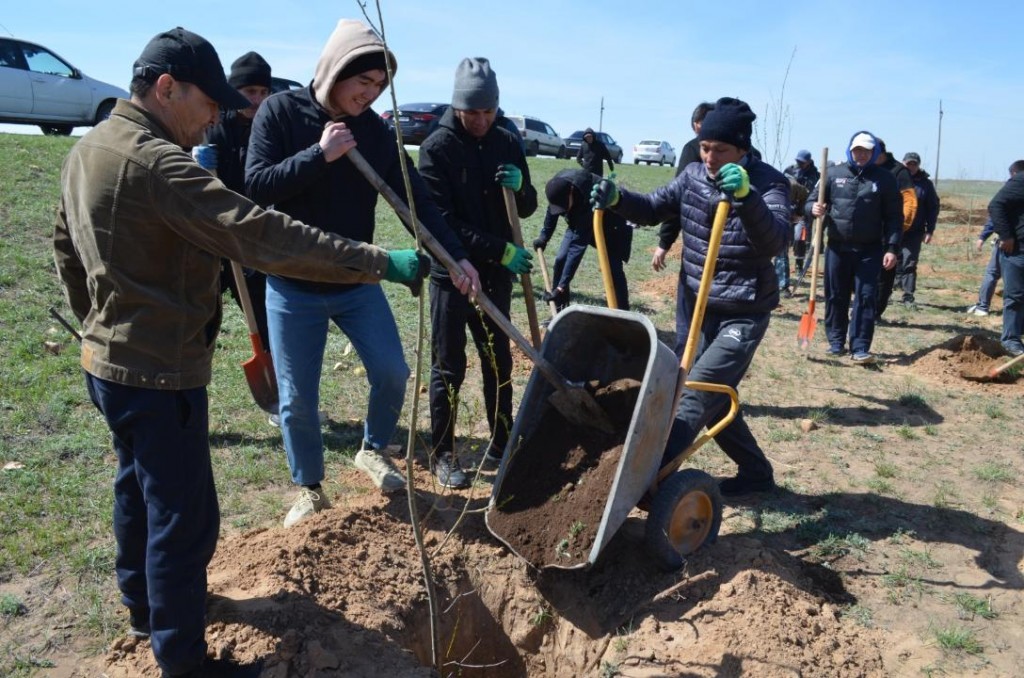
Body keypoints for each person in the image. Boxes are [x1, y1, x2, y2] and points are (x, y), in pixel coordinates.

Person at [53, 27, 432, 678]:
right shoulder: (159, 163)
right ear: (167, 89)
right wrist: (376, 261)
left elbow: (66, 249)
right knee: (185, 517)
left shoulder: (93, 149)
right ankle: (184, 659)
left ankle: (144, 607)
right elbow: (260, 232)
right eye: (209, 102)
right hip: (159, 370)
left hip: (109, 362)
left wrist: (97, 324)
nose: (217, 116)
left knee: (135, 491)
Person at [245, 20, 480, 523]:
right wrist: (320, 155)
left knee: (393, 372)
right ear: (335, 72)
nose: (369, 95)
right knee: (298, 400)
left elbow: (413, 199)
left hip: (355, 280)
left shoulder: (374, 130)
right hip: (293, 283)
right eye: (363, 83)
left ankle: (372, 447)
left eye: (378, 87)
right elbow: (257, 187)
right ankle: (309, 487)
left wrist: (453, 255)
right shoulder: (280, 112)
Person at [591, 96, 789, 497]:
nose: (710, 157)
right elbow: (651, 208)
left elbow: (776, 242)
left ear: (742, 150)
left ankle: (642, 478)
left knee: (696, 394)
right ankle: (756, 474)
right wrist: (618, 199)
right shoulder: (693, 176)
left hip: (744, 311)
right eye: (704, 147)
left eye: (721, 150)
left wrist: (748, 198)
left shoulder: (770, 183)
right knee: (706, 391)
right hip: (696, 305)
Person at [417, 57, 538, 488]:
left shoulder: (507, 140)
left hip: (495, 275)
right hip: (451, 275)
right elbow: (441, 221)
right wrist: (499, 248)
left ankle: (503, 443)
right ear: (458, 106)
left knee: (498, 361)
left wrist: (520, 186)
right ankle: (443, 453)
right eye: (473, 113)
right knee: (449, 366)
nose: (482, 121)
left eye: (488, 111)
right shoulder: (437, 148)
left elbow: (527, 206)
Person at [807, 131, 902, 364]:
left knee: (866, 296)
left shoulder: (885, 179)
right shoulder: (833, 174)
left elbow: (894, 217)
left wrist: (892, 248)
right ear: (850, 150)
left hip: (870, 250)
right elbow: (811, 200)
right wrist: (814, 208)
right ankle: (836, 341)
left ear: (874, 153)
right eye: (857, 150)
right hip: (837, 247)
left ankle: (860, 346)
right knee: (835, 295)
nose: (861, 155)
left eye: (866, 151)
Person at [203, 51, 274, 357]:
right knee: (202, 312)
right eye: (249, 92)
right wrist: (197, 161)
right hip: (212, 234)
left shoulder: (272, 128)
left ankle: (276, 381)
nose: (257, 100)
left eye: (263, 92)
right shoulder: (213, 127)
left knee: (264, 315)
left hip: (252, 236)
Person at [534, 168, 633, 312]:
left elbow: (577, 247)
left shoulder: (586, 194)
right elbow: (552, 210)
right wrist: (544, 237)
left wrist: (561, 286)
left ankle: (623, 315)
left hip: (613, 226)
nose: (563, 212)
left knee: (613, 269)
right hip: (579, 221)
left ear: (571, 193)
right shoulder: (558, 185)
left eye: (564, 207)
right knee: (561, 260)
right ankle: (560, 311)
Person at [874, 139, 918, 317]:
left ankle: (876, 310)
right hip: (865, 230)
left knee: (884, 275)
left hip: (888, 232)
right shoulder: (865, 168)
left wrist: (900, 227)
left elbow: (910, 203)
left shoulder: (899, 172)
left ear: (880, 153)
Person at [987, 159, 1024, 356]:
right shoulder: (1020, 181)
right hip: (1017, 250)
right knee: (1015, 296)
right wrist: (1006, 235)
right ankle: (1011, 340)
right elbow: (996, 205)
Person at [898, 152, 940, 305]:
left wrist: (930, 230)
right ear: (903, 163)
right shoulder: (894, 179)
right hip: (894, 229)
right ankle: (884, 293)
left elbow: (933, 208)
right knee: (890, 261)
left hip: (915, 231)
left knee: (910, 262)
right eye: (908, 164)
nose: (911, 167)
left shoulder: (925, 184)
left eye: (914, 164)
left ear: (918, 165)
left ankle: (908, 296)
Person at [784, 149, 821, 276]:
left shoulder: (815, 176)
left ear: (809, 162)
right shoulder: (789, 171)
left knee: (800, 238)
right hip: (788, 210)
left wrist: (801, 213)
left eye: (802, 162)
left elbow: (812, 195)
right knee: (784, 240)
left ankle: (799, 266)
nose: (799, 163)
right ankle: (784, 269)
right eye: (798, 161)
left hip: (803, 213)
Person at [967, 218, 1001, 316]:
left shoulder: (1005, 202)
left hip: (1006, 242)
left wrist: (983, 237)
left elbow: (996, 216)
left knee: (992, 273)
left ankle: (982, 307)